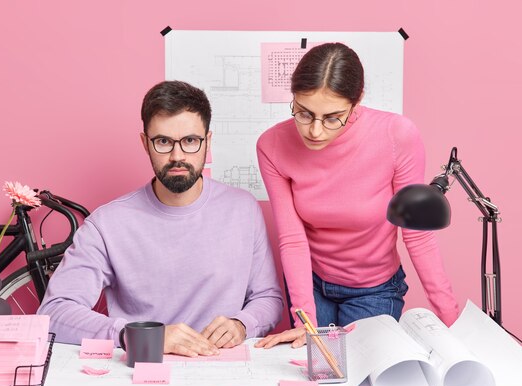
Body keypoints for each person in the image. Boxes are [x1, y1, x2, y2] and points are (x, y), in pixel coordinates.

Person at [38, 80, 283, 357]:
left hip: (222, 369)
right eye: (163, 142)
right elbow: (54, 313)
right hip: (143, 370)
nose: (177, 156)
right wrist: (141, 336)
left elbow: (268, 298)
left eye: (190, 141)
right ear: (145, 143)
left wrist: (242, 324)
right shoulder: (107, 223)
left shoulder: (243, 209)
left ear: (208, 141)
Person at [254, 43, 459, 349]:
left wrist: (451, 321)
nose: (315, 131)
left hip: (374, 289)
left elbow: (416, 234)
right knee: (319, 375)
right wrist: (304, 320)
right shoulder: (272, 145)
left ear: (357, 100)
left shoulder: (396, 136)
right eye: (304, 113)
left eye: (333, 117)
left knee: (366, 379)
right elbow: (292, 238)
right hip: (311, 286)